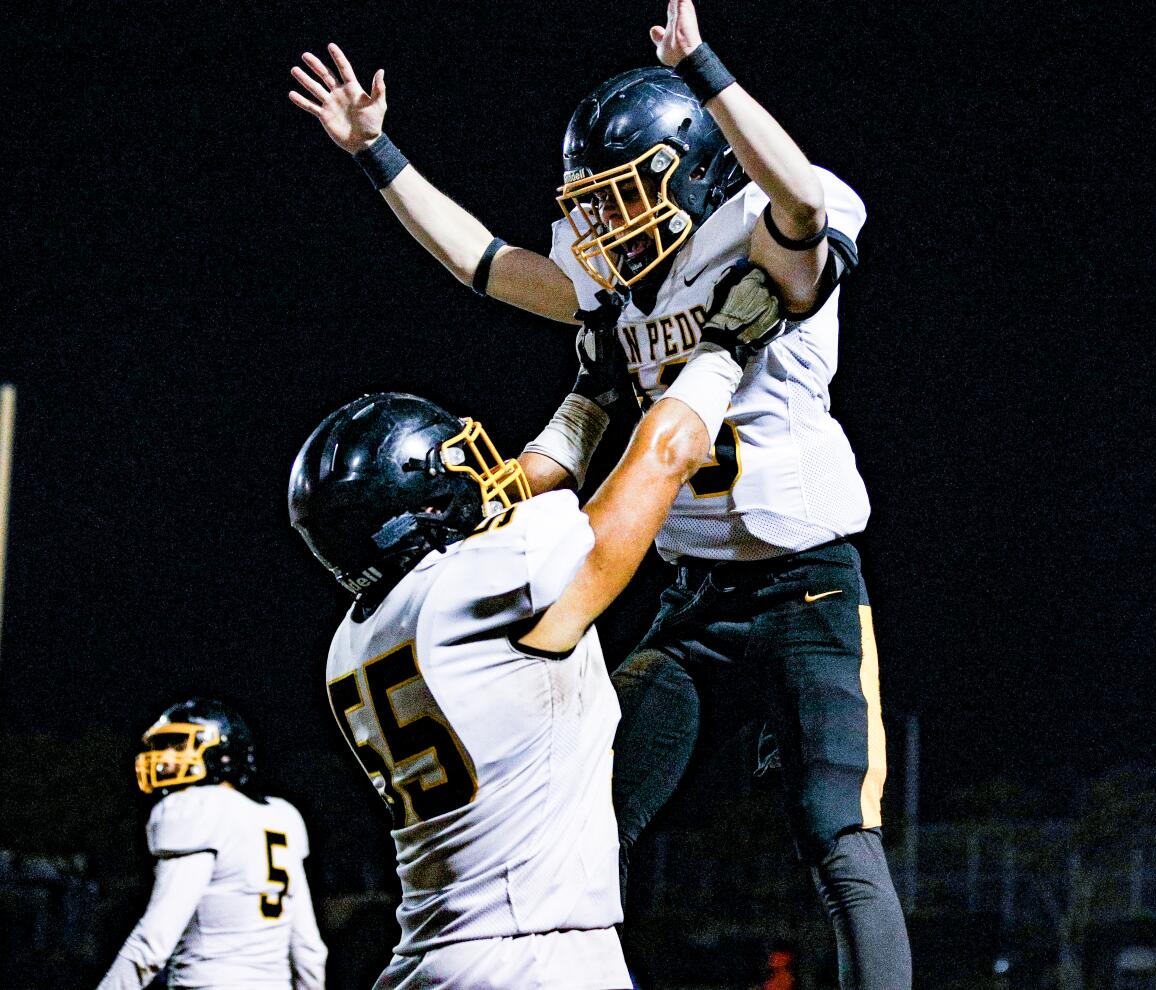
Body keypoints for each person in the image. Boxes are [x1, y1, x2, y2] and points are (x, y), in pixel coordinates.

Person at [289, 1, 912, 984]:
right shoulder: (622, 291)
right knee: (583, 813)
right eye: (596, 202)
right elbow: (486, 264)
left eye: (624, 196)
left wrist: (707, 69)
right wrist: (381, 156)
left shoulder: (757, 227)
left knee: (837, 830)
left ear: (696, 170)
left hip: (807, 584)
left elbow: (796, 203)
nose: (603, 223)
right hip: (691, 591)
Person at [285, 298, 763, 990]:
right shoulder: (476, 583)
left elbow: (511, 500)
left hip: (431, 957)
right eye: (453, 468)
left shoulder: (356, 638)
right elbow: (660, 460)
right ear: (415, 506)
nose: (481, 478)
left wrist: (590, 396)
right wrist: (720, 353)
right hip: (534, 957)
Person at [96, 698, 327, 990]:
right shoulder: (283, 817)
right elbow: (309, 949)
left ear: (223, 752)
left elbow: (152, 943)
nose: (165, 759)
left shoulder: (195, 809)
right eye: (162, 746)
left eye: (179, 746)